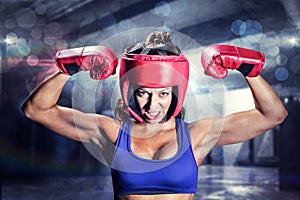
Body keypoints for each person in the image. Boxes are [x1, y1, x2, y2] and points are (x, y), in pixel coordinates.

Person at [21, 31, 288, 200]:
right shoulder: (111, 132)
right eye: (144, 93)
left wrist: (248, 71)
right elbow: (36, 110)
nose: (152, 104)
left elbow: (273, 115)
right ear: (129, 92)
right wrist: (69, 67)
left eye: (162, 94)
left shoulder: (196, 135)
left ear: (176, 93)